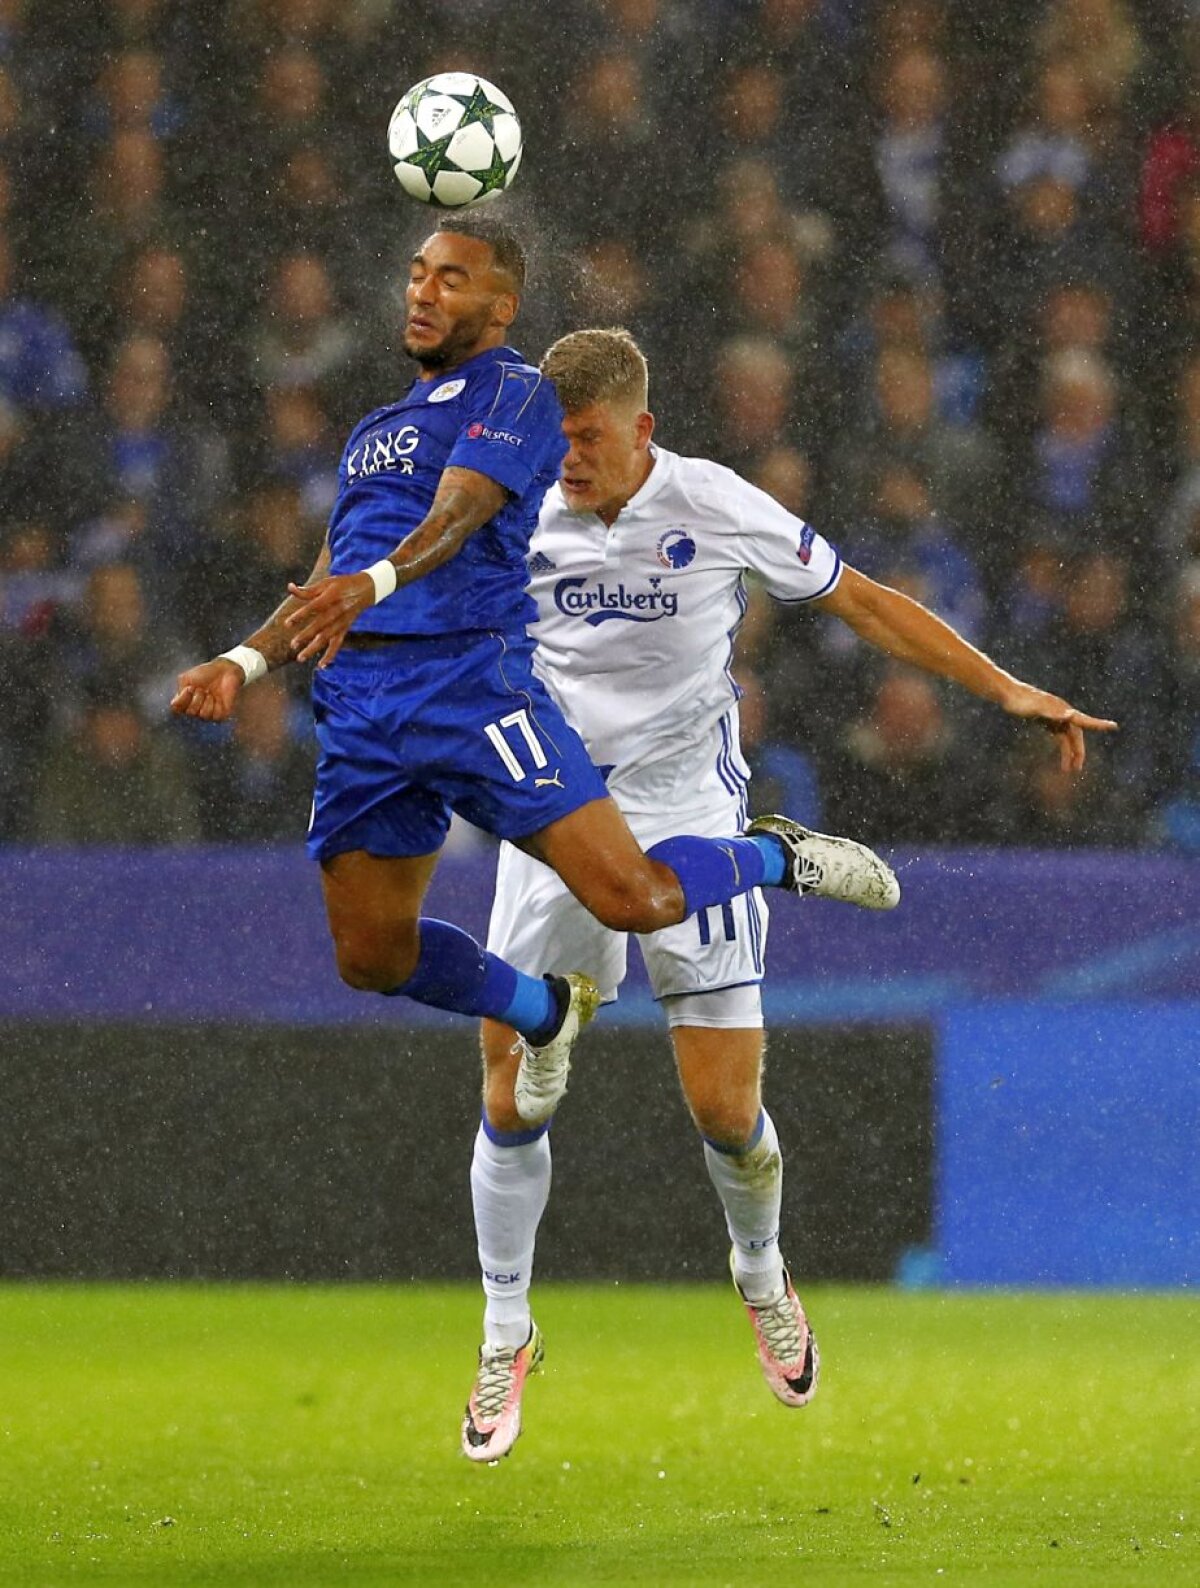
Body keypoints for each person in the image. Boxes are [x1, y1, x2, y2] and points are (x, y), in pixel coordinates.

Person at [461, 327, 1118, 1463]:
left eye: (588, 439)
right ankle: (504, 1331)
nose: (567, 459)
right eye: (554, 439)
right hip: (558, 811)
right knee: (513, 1095)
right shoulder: (516, 512)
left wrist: (1003, 687)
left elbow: (860, 599)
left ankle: (760, 1271)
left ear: (643, 431)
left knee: (724, 1110)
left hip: (683, 807)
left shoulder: (711, 502)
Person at [170, 216, 900, 1128]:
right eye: (416, 273)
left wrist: (377, 582)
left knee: (634, 899)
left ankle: (773, 855)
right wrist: (243, 660)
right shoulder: (375, 430)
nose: (423, 291)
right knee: (370, 957)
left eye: (451, 278)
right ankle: (544, 1011)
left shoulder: (518, 394)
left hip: (470, 686)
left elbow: (462, 509)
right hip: (360, 705)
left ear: (502, 305)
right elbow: (323, 582)